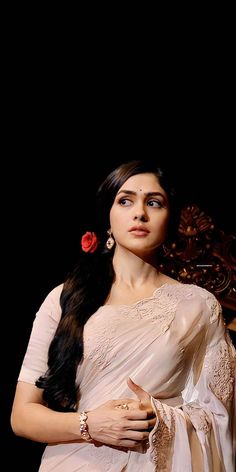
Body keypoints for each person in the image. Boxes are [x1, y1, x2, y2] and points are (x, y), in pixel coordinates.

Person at [11, 160, 235, 472]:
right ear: (109, 216)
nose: (140, 212)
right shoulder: (65, 297)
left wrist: (162, 419)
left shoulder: (198, 306)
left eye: (154, 202)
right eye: (125, 200)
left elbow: (221, 416)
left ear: (169, 219)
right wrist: (90, 424)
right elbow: (22, 417)